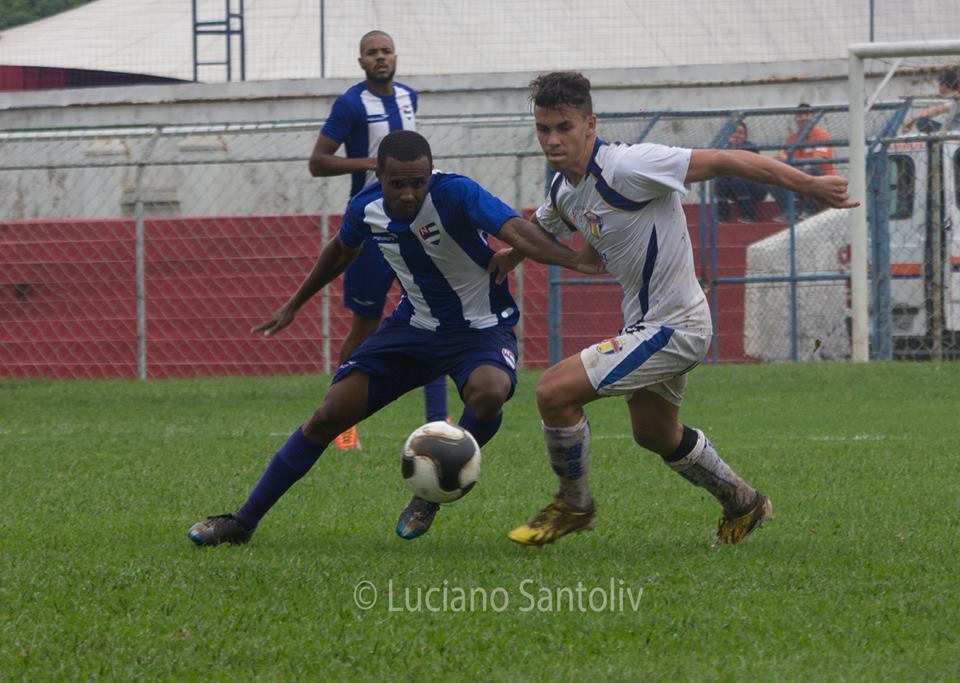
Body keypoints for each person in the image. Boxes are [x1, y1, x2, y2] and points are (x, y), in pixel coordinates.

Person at [188, 130, 601, 546]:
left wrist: (575, 261)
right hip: (412, 330)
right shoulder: (365, 208)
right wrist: (296, 302)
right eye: (397, 184)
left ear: (430, 174)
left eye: (417, 183)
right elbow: (340, 250)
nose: (408, 194)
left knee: (490, 391)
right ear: (379, 177)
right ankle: (243, 521)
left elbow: (516, 229)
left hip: (481, 329)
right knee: (328, 415)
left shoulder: (457, 193)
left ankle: (430, 497)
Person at [501, 72, 857, 547]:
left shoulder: (630, 165)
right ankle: (742, 501)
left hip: (676, 326)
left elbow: (728, 159)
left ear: (590, 124)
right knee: (654, 434)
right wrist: (505, 259)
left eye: (563, 127)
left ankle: (574, 504)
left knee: (552, 392)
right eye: (543, 129)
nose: (552, 139)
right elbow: (537, 230)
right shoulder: (566, 191)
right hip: (650, 324)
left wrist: (808, 185)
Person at [308, 29, 446, 449]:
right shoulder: (351, 104)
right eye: (372, 53)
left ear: (395, 56)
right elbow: (317, 162)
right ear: (361, 61)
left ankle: (439, 423)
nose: (380, 58)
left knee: (437, 311)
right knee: (365, 323)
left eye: (386, 51)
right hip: (372, 227)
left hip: (417, 222)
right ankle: (341, 419)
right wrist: (373, 162)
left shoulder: (409, 96)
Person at [771, 103, 836, 219]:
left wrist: (791, 161)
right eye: (800, 115)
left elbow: (819, 160)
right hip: (797, 177)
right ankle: (789, 211)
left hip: (822, 178)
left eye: (807, 114)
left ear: (812, 117)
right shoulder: (791, 138)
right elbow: (781, 157)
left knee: (810, 169)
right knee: (770, 174)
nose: (803, 118)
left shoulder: (821, 135)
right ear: (796, 119)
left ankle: (809, 211)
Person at [714, 121, 769, 222]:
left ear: (744, 136)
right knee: (720, 180)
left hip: (756, 188)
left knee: (737, 180)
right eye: (734, 132)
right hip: (734, 185)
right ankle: (723, 217)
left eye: (741, 133)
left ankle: (748, 215)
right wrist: (729, 147)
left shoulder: (750, 147)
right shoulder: (724, 148)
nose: (737, 135)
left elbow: (745, 169)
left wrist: (732, 147)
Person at [902, 66, 960, 133]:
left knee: (923, 121)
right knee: (926, 123)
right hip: (950, 131)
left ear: (943, 84)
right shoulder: (951, 98)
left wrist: (913, 118)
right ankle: (934, 140)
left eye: (939, 84)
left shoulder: (954, 99)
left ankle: (936, 141)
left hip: (954, 134)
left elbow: (938, 110)